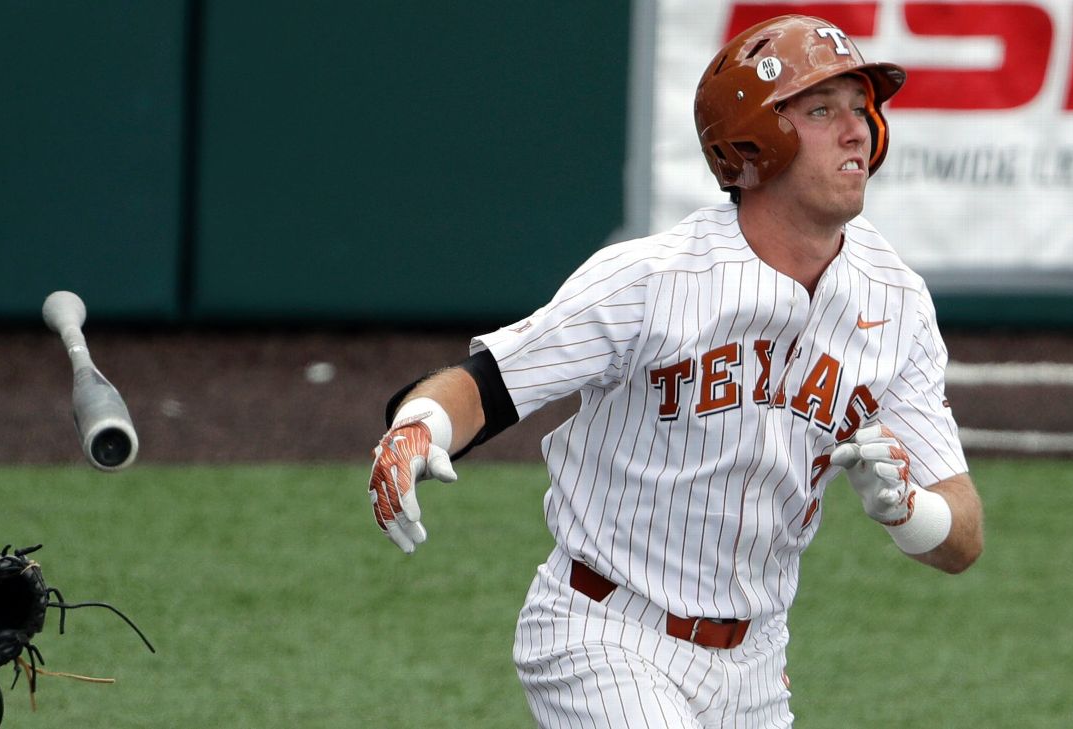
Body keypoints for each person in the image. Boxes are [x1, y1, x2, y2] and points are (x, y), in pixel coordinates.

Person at [368, 14, 983, 727]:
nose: (858, 131)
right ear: (756, 139)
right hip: (603, 632)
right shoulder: (651, 278)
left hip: (757, 664)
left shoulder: (895, 300)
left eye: (860, 109)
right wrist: (419, 427)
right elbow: (488, 384)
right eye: (822, 111)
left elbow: (963, 535)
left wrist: (909, 511)